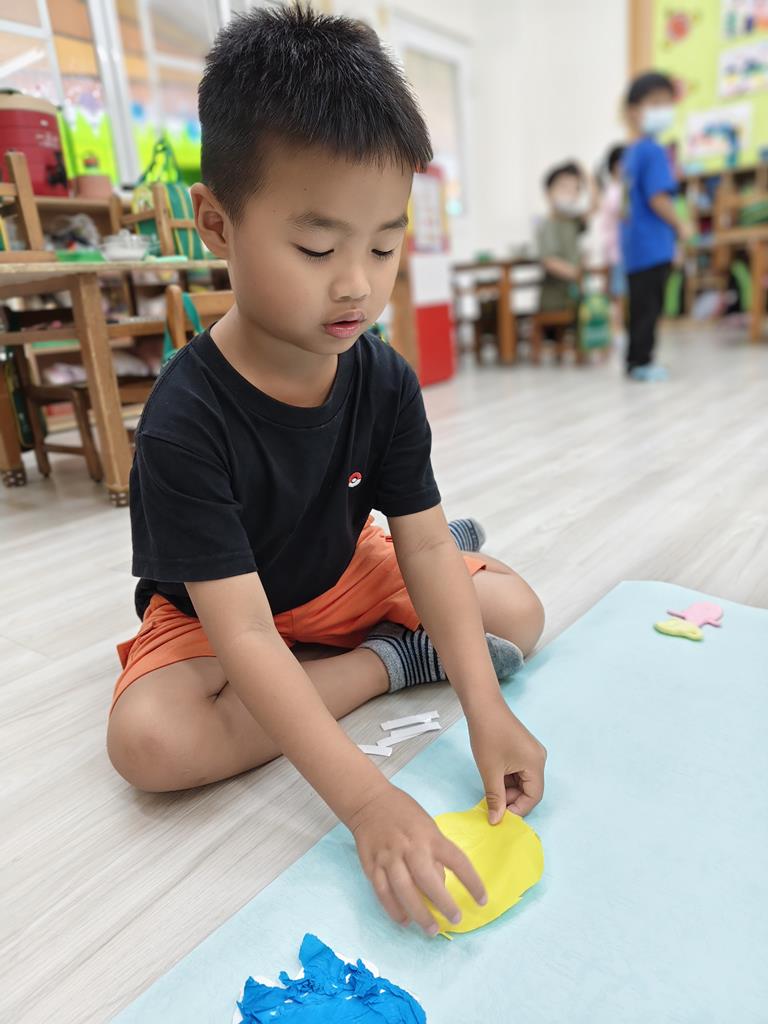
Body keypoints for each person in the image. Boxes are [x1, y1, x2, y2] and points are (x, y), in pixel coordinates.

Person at [106, 6, 546, 939]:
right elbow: (245, 635)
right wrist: (369, 802)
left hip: (343, 568)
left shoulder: (383, 377)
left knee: (515, 616)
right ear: (217, 224)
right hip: (223, 608)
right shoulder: (183, 422)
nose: (357, 283)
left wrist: (486, 710)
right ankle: (393, 661)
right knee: (151, 744)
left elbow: (420, 547)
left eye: (384, 245)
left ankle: (423, 603)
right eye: (317, 249)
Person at [621, 71, 691, 381]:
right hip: (651, 244)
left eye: (667, 103)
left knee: (639, 306)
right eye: (655, 103)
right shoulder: (653, 150)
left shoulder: (632, 151)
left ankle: (635, 359)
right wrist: (681, 224)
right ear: (634, 111)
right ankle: (642, 361)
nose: (663, 110)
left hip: (635, 245)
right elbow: (657, 197)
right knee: (650, 306)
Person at [537, 161, 589, 317]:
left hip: (575, 297)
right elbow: (548, 261)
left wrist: (585, 175)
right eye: (564, 187)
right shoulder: (547, 225)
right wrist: (577, 273)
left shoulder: (572, 222)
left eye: (575, 189)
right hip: (556, 301)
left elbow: (593, 206)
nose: (569, 193)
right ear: (548, 192)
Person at [599, 144, 626, 347]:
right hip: (617, 251)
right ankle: (617, 331)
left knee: (621, 293)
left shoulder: (619, 189)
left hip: (620, 251)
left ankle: (619, 330)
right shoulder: (615, 192)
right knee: (618, 295)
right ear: (617, 166)